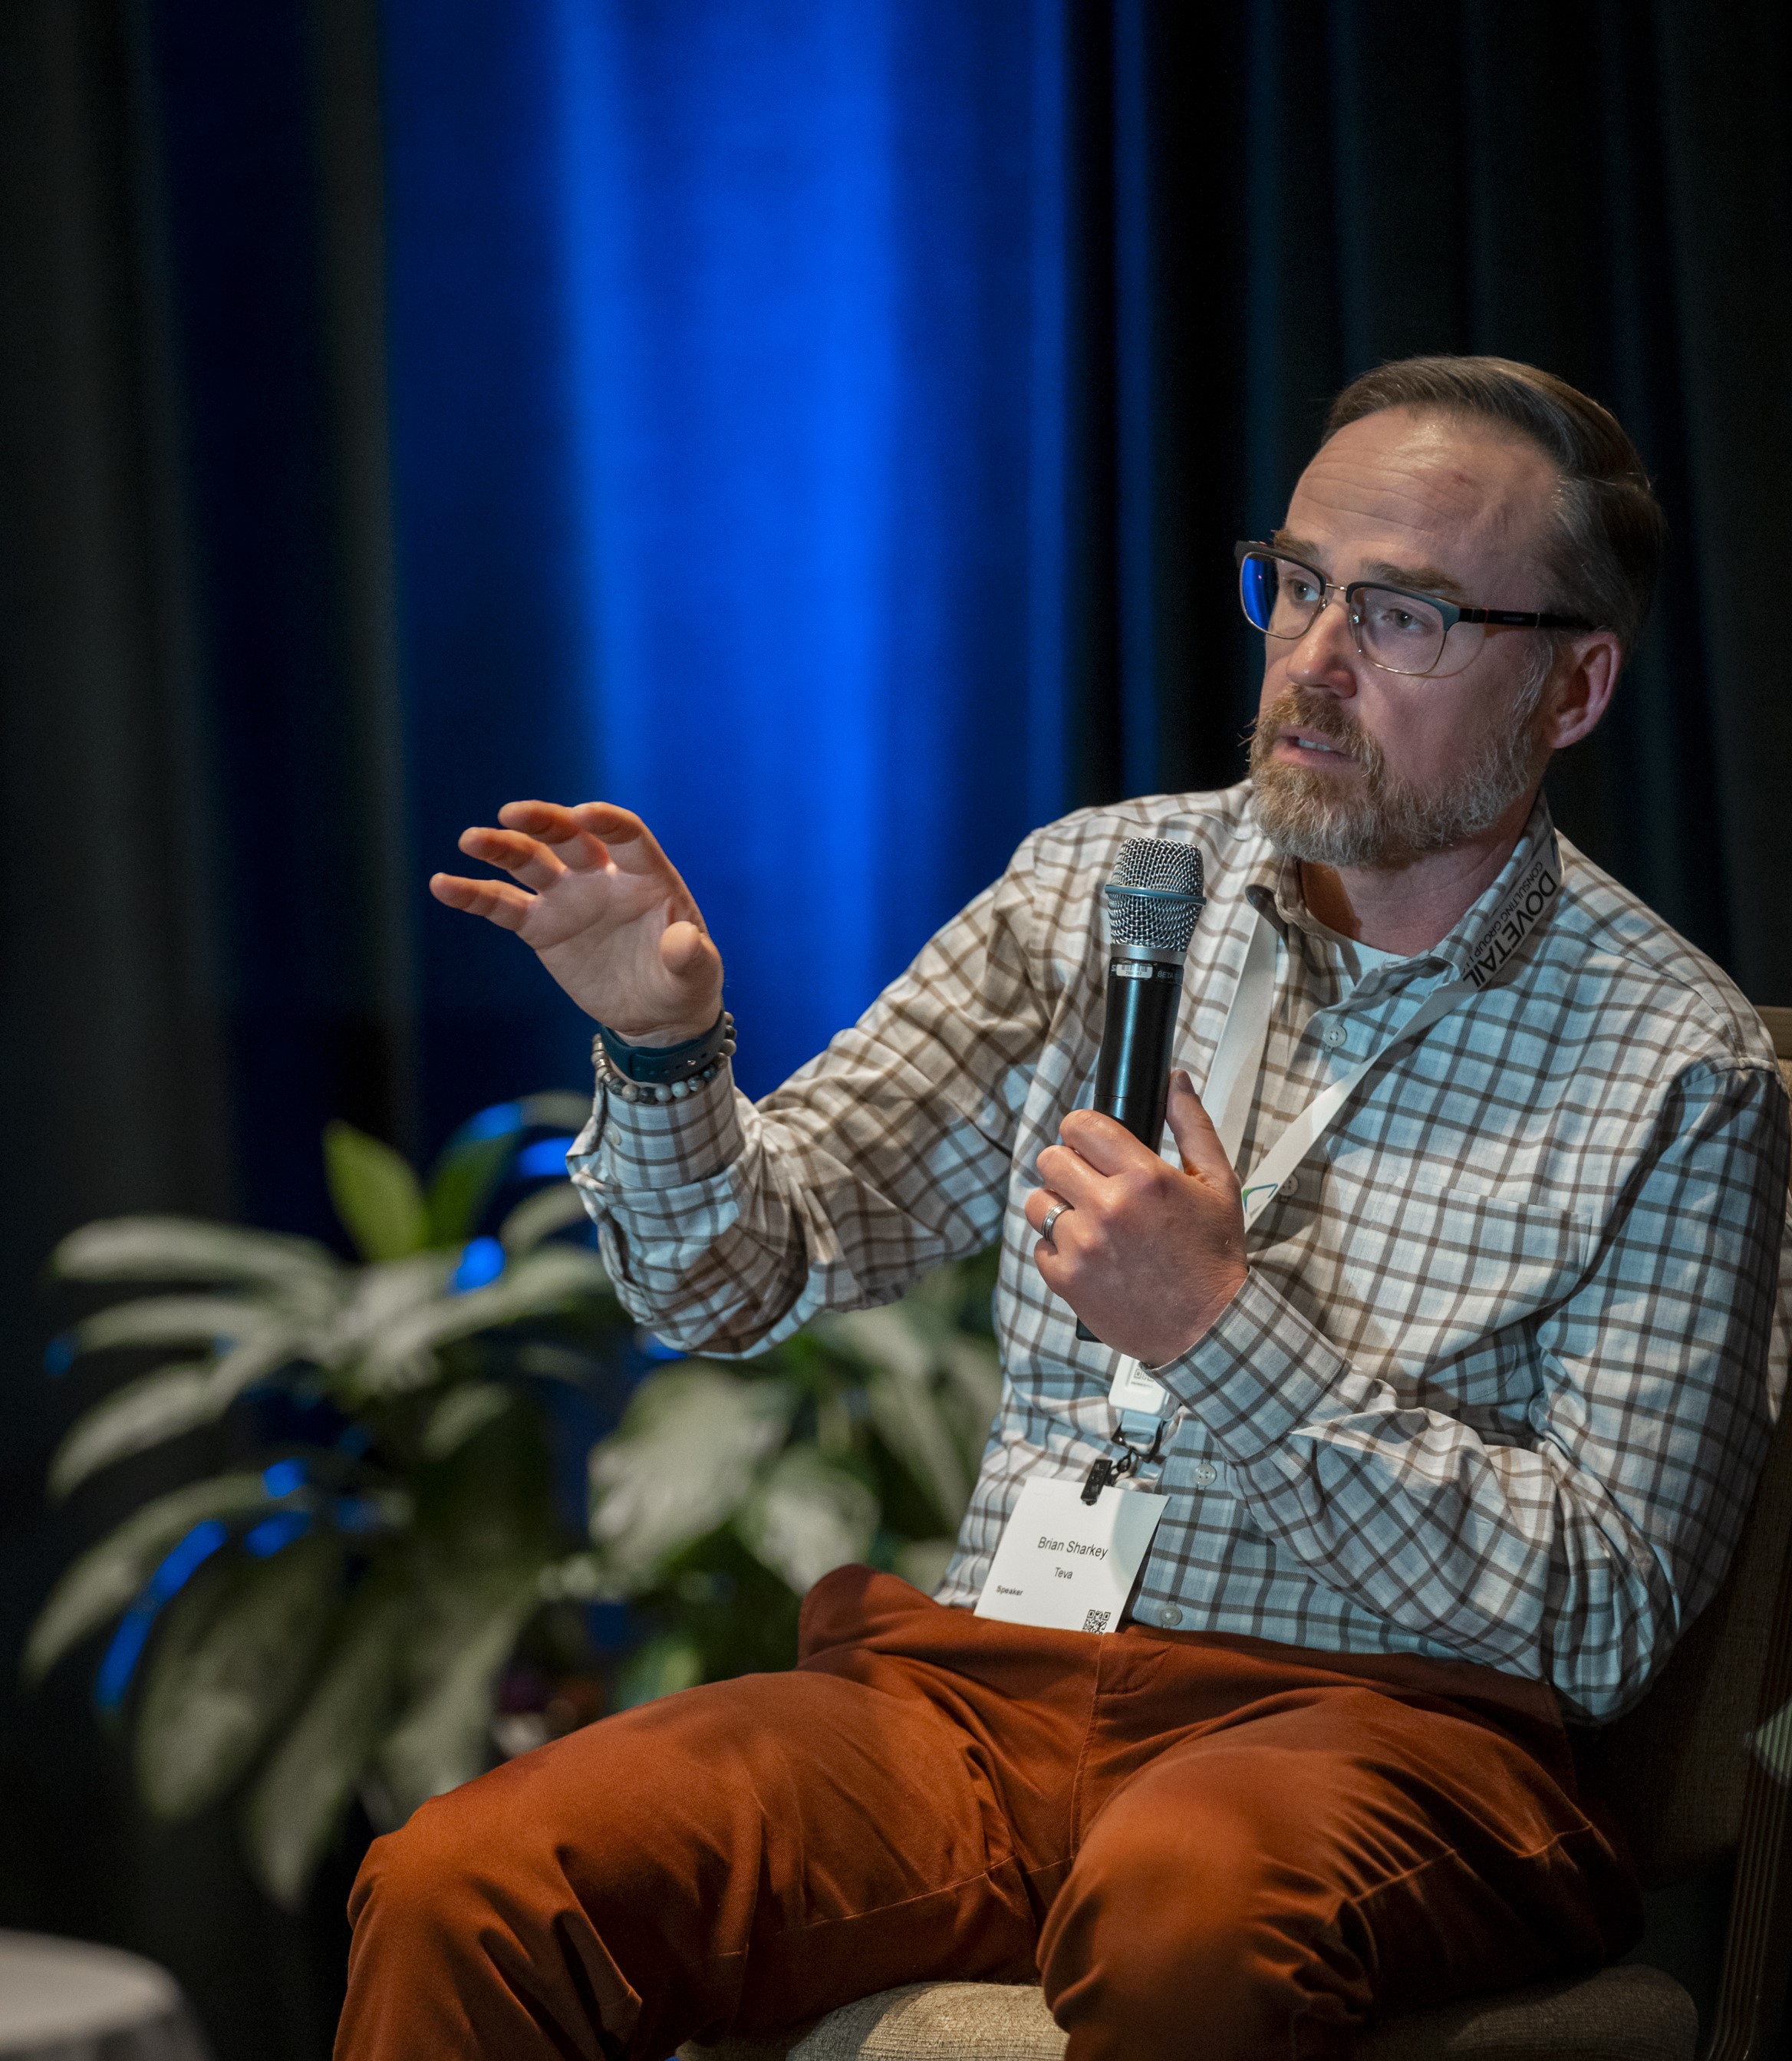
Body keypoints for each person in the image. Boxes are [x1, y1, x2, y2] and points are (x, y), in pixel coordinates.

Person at [334, 357, 1789, 2061]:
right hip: (989, 1694)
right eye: (1299, 584)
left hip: (1385, 1735)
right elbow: (737, 1276)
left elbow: (1603, 1621)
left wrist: (1220, 1333)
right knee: (474, 1881)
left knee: (1187, 1900)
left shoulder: (1676, 1069)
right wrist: (661, 1054)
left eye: (1404, 618)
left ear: (1572, 687)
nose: (1313, 661)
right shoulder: (1096, 890)